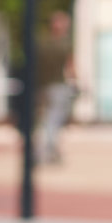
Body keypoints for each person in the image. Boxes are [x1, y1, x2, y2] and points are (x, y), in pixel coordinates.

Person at [38, 10, 80, 166]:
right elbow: (71, 66)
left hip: (43, 87)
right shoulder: (64, 44)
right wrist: (76, 83)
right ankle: (50, 150)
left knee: (46, 119)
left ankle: (47, 150)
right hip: (57, 87)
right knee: (54, 120)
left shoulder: (42, 42)